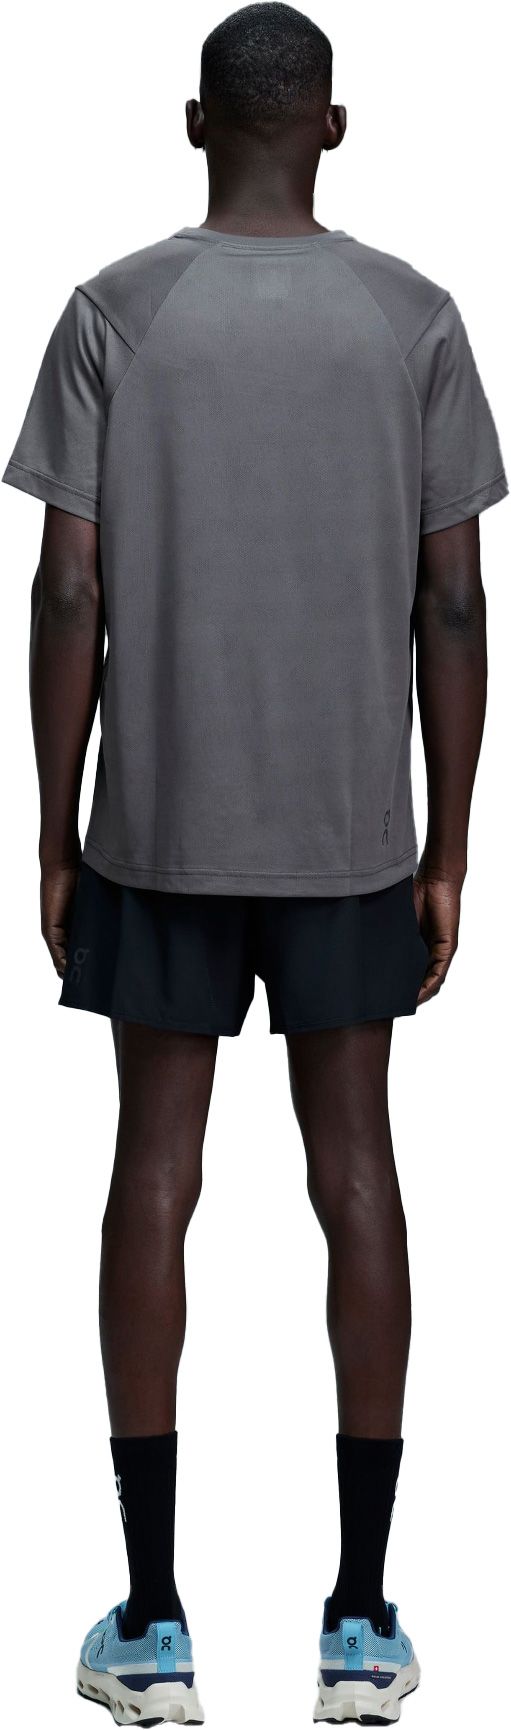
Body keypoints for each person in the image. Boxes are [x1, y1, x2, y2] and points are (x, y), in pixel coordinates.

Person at [3, 3, 507, 1724]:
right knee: (356, 1170)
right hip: (349, 826)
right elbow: (455, 599)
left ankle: (151, 1622)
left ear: (193, 122)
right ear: (335, 129)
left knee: (156, 1170)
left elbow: (69, 587)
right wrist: (450, 848)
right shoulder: (413, 320)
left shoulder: (114, 313)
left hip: (161, 819)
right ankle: (361, 1619)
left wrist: (54, 827)